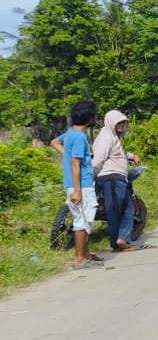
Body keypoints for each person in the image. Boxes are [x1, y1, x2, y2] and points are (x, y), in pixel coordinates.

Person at [91, 109, 146, 251]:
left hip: (118, 178)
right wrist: (92, 175)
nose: (121, 125)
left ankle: (122, 238)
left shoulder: (114, 137)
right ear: (111, 122)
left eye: (123, 122)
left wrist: (131, 155)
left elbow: (116, 154)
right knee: (114, 211)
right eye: (118, 122)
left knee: (128, 209)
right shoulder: (106, 137)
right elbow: (98, 159)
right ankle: (117, 242)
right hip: (111, 178)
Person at [57, 101, 102, 269]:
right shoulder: (79, 137)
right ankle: (79, 259)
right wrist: (77, 191)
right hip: (81, 186)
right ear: (89, 118)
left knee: (84, 220)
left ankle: (86, 254)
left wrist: (66, 155)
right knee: (82, 222)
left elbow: (54, 142)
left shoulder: (69, 134)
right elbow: (75, 164)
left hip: (76, 185)